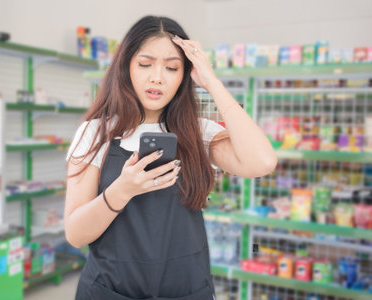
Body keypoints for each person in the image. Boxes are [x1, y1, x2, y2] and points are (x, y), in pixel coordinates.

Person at [64, 15, 277, 300]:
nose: (157, 77)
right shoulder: (95, 133)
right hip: (109, 291)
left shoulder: (199, 133)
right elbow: (76, 235)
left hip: (187, 291)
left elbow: (262, 162)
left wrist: (212, 82)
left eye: (172, 67)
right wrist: (121, 190)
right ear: (126, 67)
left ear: (185, 75)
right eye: (145, 64)